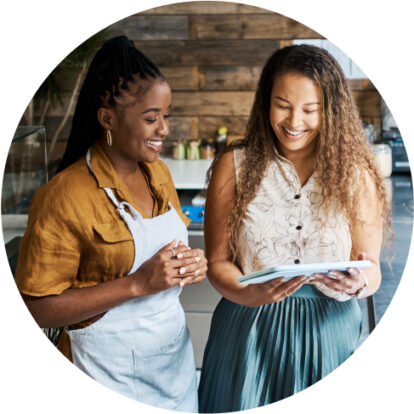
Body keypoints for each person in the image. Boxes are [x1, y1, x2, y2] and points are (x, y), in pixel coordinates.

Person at [14, 36, 207, 412]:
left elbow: (164, 252)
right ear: (107, 119)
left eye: (167, 115)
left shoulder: (159, 173)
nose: (164, 129)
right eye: (151, 118)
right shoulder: (64, 195)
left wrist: (188, 264)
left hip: (174, 367)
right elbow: (34, 309)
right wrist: (136, 285)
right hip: (105, 376)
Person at [198, 44, 390, 412]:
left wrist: (358, 283)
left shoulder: (356, 175)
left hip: (328, 333)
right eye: (282, 105)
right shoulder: (233, 165)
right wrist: (246, 293)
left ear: (331, 111)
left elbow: (373, 270)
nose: (293, 121)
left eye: (310, 109)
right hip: (247, 330)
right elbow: (218, 261)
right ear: (266, 102)